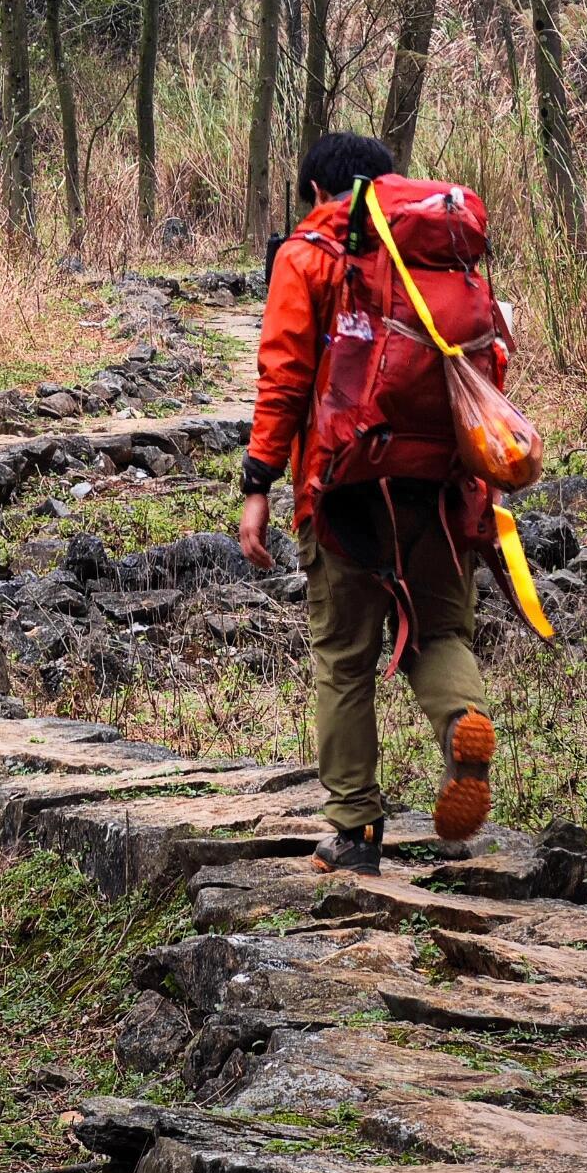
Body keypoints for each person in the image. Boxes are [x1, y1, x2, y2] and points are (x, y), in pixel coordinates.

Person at [238, 130, 496, 875]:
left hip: (343, 486)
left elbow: (285, 377)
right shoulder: (436, 253)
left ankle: (356, 832)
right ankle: (463, 718)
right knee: (438, 634)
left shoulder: (310, 253)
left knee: (345, 663)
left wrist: (257, 484)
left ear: (321, 193)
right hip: (441, 483)